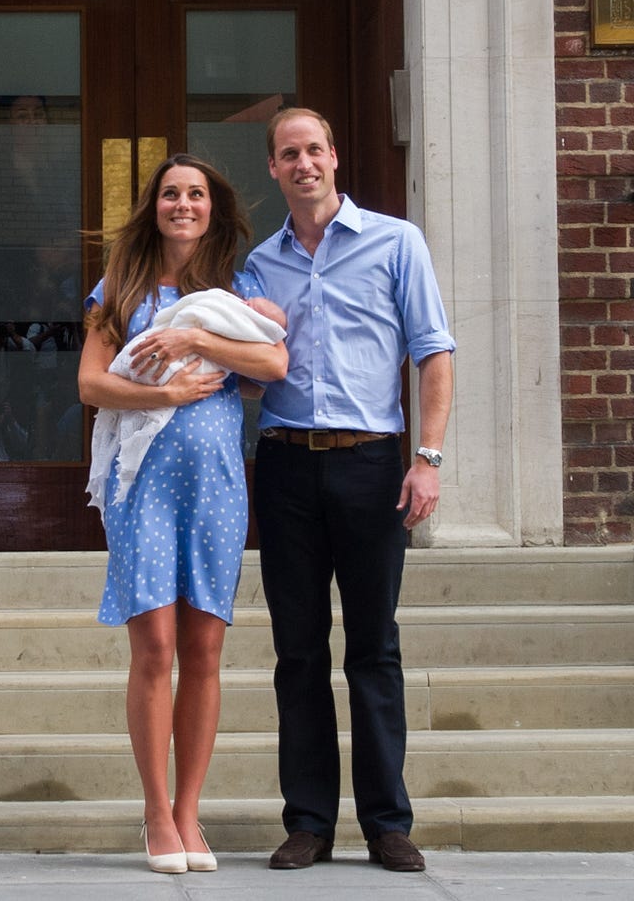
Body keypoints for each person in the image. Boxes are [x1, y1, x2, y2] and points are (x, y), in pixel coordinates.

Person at [244, 109, 455, 874]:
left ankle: (386, 824)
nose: (303, 164)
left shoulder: (396, 242)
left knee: (373, 647)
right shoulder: (257, 264)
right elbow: (245, 363)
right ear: (272, 167)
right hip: (287, 466)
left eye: (314, 150)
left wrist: (426, 457)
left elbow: (433, 354)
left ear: (334, 157)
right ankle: (308, 823)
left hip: (371, 464)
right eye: (287, 154)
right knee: (297, 651)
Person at [78, 155, 288, 875]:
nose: (184, 204)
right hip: (142, 488)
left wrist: (196, 339)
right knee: (156, 650)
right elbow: (90, 384)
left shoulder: (240, 286)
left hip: (217, 486)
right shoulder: (123, 287)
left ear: (213, 206)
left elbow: (274, 363)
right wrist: (164, 397)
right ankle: (155, 812)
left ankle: (191, 812)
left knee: (203, 650)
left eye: (196, 194)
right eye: (171, 194)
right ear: (153, 206)